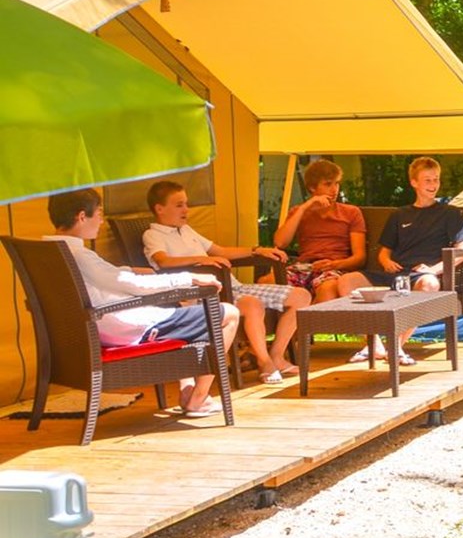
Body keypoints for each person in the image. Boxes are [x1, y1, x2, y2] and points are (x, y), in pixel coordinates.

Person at [41, 188, 241, 418]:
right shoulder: (80, 255)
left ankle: (187, 388)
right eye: (99, 213)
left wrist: (130, 270)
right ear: (82, 216)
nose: (101, 220)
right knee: (228, 313)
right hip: (126, 328)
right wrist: (188, 278)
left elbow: (105, 275)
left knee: (182, 310)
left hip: (95, 330)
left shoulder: (49, 251)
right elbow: (133, 285)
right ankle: (198, 398)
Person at [144, 180, 312, 384]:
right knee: (252, 304)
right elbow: (163, 261)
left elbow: (221, 251)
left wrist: (256, 250)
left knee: (301, 296)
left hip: (233, 287)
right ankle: (265, 362)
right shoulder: (153, 235)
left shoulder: (186, 230)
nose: (186, 210)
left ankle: (276, 355)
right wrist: (201, 260)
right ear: (159, 209)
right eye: (179, 205)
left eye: (186, 204)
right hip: (204, 295)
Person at [369, 156, 463, 363]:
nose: (433, 185)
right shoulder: (399, 214)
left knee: (429, 284)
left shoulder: (449, 213)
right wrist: (386, 261)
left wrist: (433, 270)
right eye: (427, 180)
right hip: (395, 273)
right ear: (414, 182)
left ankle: (396, 346)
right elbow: (383, 252)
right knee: (346, 281)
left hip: (423, 275)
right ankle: (375, 345)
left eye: (436, 179)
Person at [272, 158, 372, 303]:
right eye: (328, 184)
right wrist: (304, 207)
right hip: (305, 267)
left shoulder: (351, 212)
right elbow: (280, 242)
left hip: (334, 267)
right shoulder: (299, 212)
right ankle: (293, 314)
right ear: (313, 188)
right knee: (268, 280)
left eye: (337, 183)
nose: (334, 189)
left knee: (329, 289)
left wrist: (334, 264)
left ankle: (307, 317)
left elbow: (359, 258)